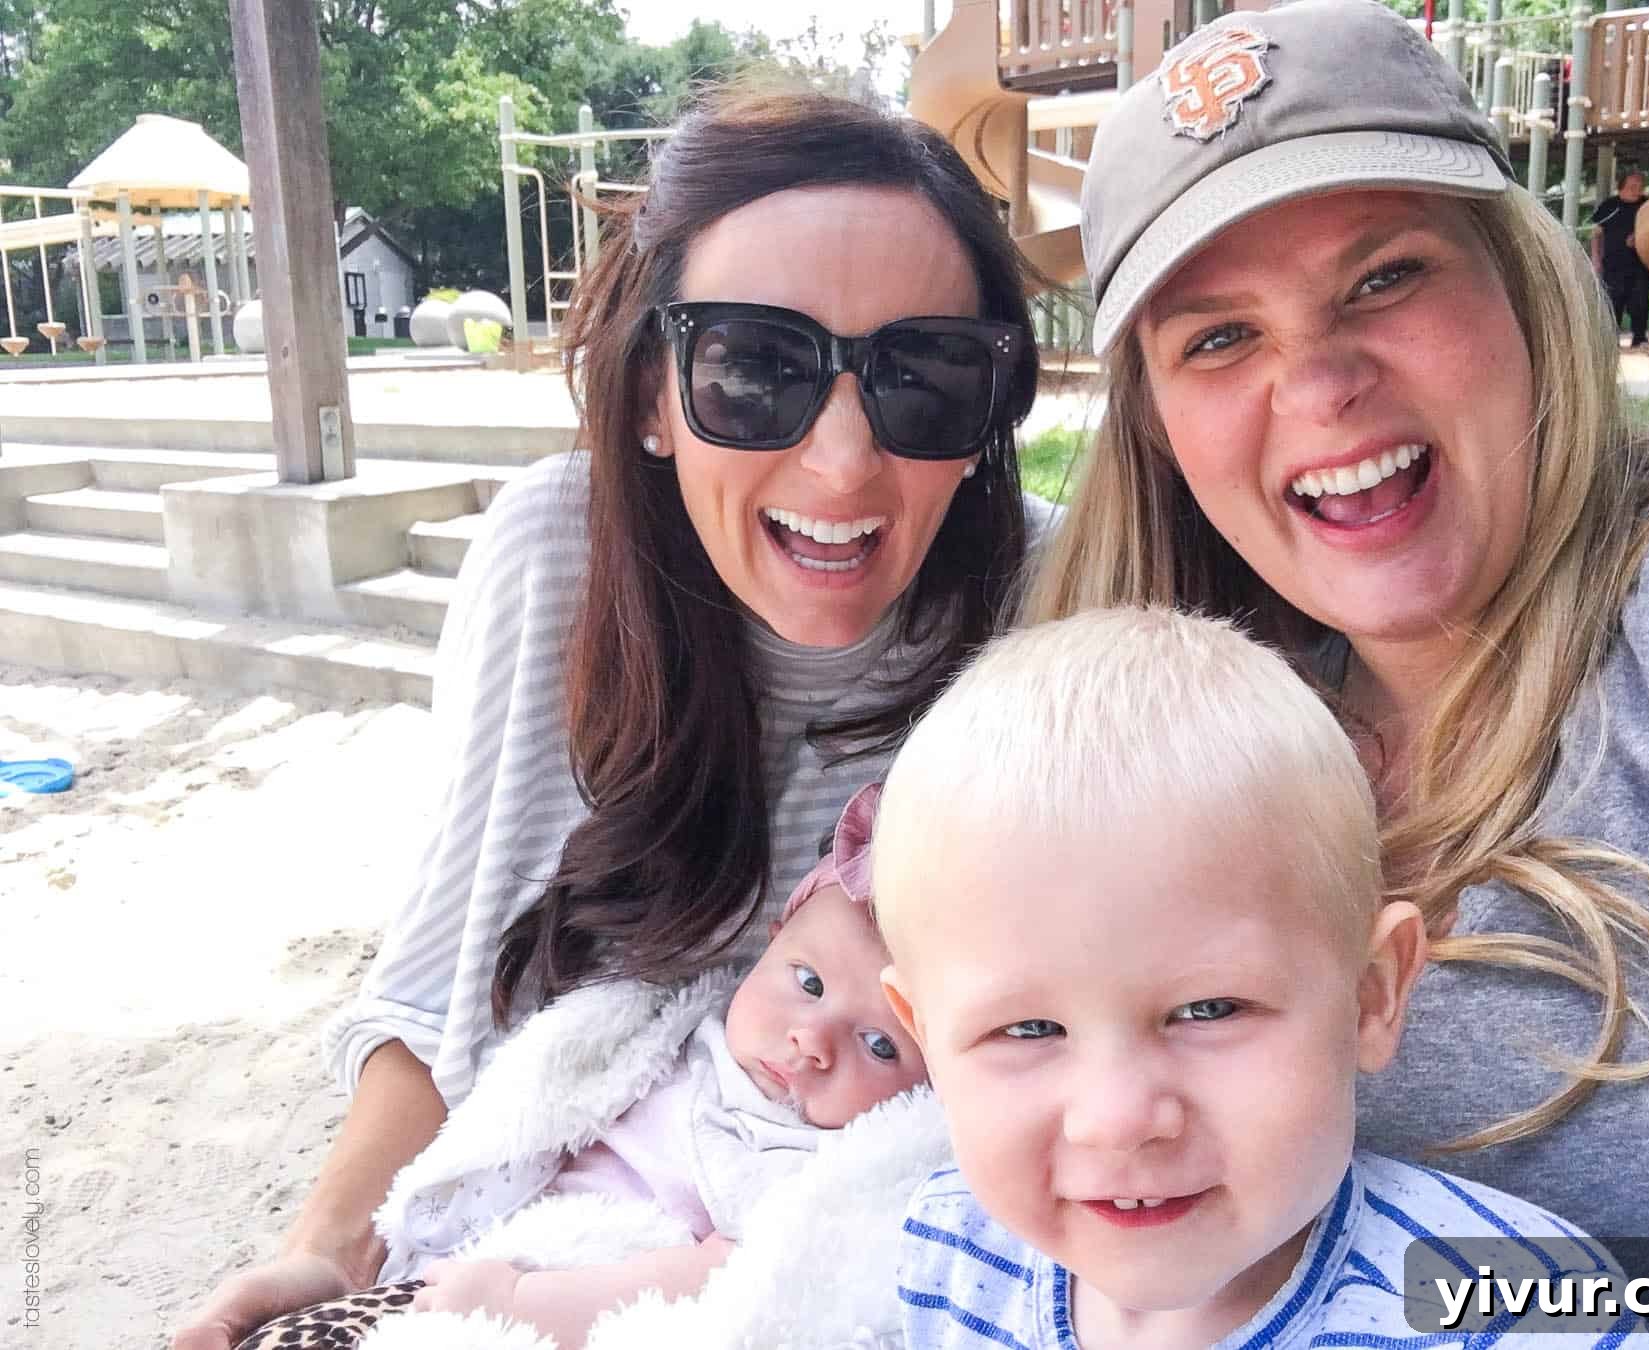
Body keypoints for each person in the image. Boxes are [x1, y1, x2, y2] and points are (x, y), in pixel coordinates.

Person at [175, 84, 1042, 1350]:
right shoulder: (558, 562)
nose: (845, 462)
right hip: (542, 1251)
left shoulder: (1046, 603)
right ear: (650, 393)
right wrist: (325, 1247)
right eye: (755, 365)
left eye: (924, 374)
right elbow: (448, 992)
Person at [1029, 0, 1649, 1253]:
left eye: (1384, 277)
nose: (1322, 384)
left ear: (1522, 287)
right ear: (1157, 429)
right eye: (1221, 337)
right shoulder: (1158, 741)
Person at [871, 607, 1649, 1348]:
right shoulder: (953, 1254)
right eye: (1028, 1029)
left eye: (1208, 1009)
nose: (1118, 1119)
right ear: (925, 1038)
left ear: (1371, 995)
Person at [235, 786, 923, 1350]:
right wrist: (347, 1251)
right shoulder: (670, 1028)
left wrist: (523, 1300)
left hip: (562, 1304)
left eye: (880, 1044)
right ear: (773, 944)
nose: (812, 1041)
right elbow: (534, 1091)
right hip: (463, 1263)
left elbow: (738, 1273)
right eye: (806, 982)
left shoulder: (816, 1159)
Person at [1591, 171, 1649, 346]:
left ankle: (1639, 337)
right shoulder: (1609, 206)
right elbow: (1596, 234)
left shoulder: (1648, 205)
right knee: (1613, 303)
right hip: (1613, 265)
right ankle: (1611, 340)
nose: (1637, 190)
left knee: (1640, 302)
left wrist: (1639, 237)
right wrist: (1595, 259)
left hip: (1640, 264)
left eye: (1640, 186)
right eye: (1632, 186)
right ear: (1622, 187)